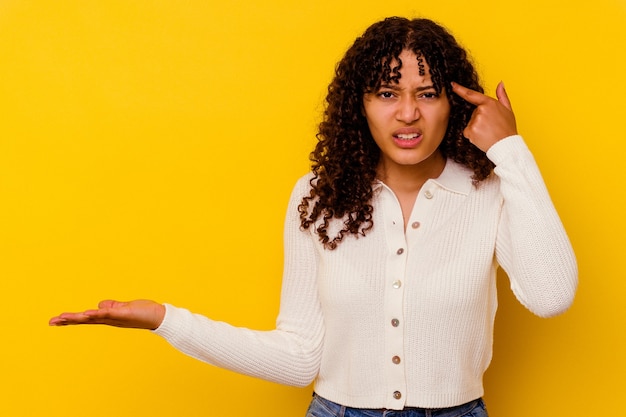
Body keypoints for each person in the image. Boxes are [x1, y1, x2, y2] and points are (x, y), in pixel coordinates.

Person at [49, 16, 578, 417]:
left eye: (427, 94)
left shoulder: (491, 190)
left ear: (454, 103)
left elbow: (552, 295)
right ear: (361, 105)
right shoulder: (317, 198)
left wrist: (510, 150)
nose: (408, 113)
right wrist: (166, 320)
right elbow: (300, 355)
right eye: (387, 93)